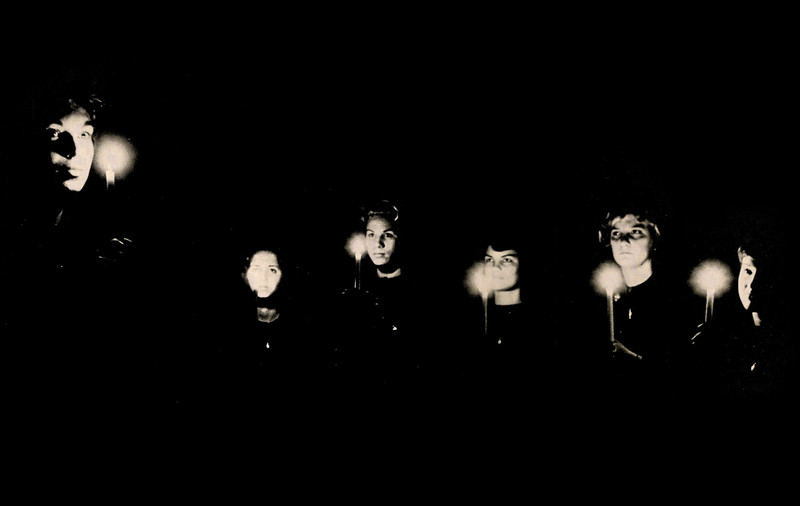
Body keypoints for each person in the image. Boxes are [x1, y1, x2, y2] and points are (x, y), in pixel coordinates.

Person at [590, 205, 696, 402]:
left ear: (654, 238)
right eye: (616, 233)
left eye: (636, 232)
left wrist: (634, 361)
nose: (624, 242)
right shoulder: (598, 300)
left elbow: (682, 372)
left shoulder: (675, 301)